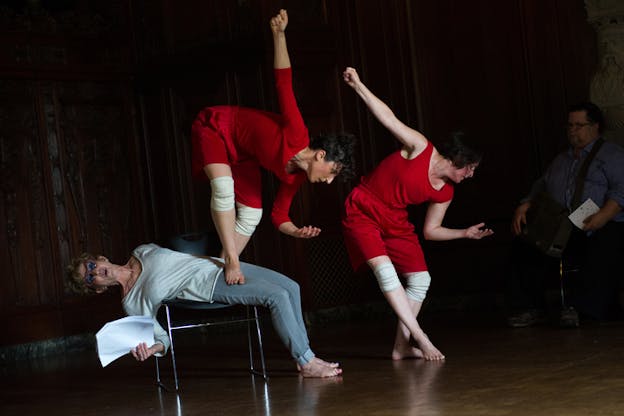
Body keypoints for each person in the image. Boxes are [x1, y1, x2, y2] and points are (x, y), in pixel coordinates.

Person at [191, 9, 355, 285]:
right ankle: (231, 261)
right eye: (331, 172)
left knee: (253, 213)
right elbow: (283, 82)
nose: (328, 181)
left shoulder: (295, 177)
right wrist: (279, 35)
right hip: (217, 128)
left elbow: (279, 215)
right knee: (223, 188)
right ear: (321, 154)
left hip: (243, 158)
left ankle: (217, 271)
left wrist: (296, 232)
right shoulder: (297, 133)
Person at [341, 67, 493, 361]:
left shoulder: (446, 191)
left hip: (394, 220)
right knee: (385, 272)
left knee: (421, 279)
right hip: (364, 209)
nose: (471, 174)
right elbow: (387, 117)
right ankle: (420, 336)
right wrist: (359, 86)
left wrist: (464, 233)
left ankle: (401, 347)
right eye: (470, 168)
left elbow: (430, 231)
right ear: (458, 159)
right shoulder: (421, 147)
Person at [66, 243, 342, 378]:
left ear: (99, 259)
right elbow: (162, 340)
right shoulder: (131, 302)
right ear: (99, 288)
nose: (94, 272)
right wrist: (151, 350)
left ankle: (304, 356)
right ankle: (306, 361)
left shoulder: (142, 250)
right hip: (209, 287)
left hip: (221, 265)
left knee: (291, 287)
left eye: (90, 266)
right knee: (277, 296)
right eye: (90, 278)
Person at [508, 102, 624, 327]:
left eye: (579, 125)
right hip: (565, 223)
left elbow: (621, 189)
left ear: (595, 126)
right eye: (570, 125)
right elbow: (541, 185)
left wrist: (604, 215)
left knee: (603, 245)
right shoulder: (562, 159)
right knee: (525, 245)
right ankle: (529, 307)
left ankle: (584, 309)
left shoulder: (613, 155)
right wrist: (526, 204)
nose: (573, 130)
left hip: (603, 221)